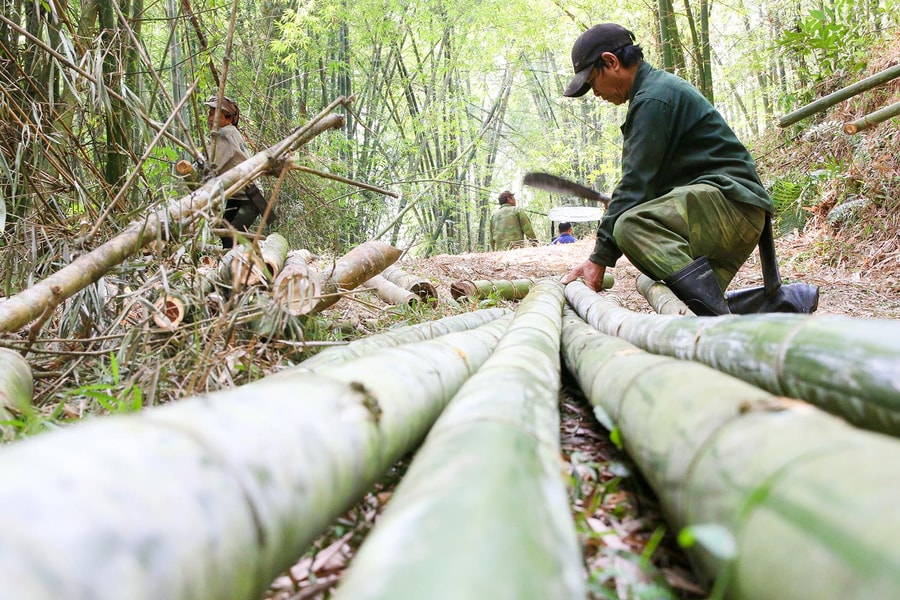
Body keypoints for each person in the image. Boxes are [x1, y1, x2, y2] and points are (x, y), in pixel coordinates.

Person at [559, 24, 818, 315]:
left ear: (611, 62)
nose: (595, 93)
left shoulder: (653, 99)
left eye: (592, 81)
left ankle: (724, 326)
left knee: (630, 227)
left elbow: (635, 184)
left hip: (730, 207)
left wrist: (599, 257)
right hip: (734, 212)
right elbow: (646, 185)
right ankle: (786, 304)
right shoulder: (656, 91)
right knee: (698, 308)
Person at [202, 95, 274, 248]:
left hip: (248, 197)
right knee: (227, 236)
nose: (210, 118)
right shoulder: (230, 132)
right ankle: (248, 256)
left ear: (228, 119)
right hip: (239, 196)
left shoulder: (224, 134)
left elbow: (210, 167)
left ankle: (253, 258)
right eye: (210, 113)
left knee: (231, 238)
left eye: (215, 114)